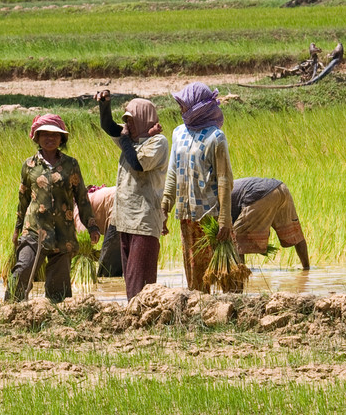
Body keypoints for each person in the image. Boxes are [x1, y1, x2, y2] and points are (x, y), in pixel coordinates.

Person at [8, 114, 97, 303]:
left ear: (61, 139)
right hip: (34, 230)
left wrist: (92, 226)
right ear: (37, 138)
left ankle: (56, 316)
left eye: (55, 135)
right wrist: (17, 230)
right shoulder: (29, 165)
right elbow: (23, 199)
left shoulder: (71, 164)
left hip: (62, 232)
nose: (50, 139)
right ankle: (9, 309)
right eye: (45, 135)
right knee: (23, 269)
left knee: (59, 287)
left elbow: (81, 197)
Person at [162, 82, 235, 293]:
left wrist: (224, 220)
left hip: (211, 215)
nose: (181, 110)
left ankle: (231, 314)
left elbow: (224, 179)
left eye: (184, 105)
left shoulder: (216, 137)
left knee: (224, 272)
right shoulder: (178, 133)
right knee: (195, 273)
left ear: (199, 107)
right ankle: (199, 312)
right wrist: (166, 204)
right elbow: (173, 171)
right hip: (187, 214)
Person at [96, 91, 169, 300]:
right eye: (126, 121)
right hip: (125, 221)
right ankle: (134, 319)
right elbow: (109, 127)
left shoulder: (157, 142)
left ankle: (143, 321)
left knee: (141, 281)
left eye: (131, 121)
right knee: (130, 279)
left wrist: (126, 139)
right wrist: (104, 105)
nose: (127, 127)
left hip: (144, 223)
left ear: (144, 119)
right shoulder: (132, 141)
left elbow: (138, 165)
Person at [232, 177, 310, 269]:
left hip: (260, 194)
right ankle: (307, 268)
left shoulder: (216, 200)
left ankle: (239, 273)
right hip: (281, 188)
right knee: (295, 232)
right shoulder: (219, 191)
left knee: (234, 237)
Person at [84, 185, 121, 278]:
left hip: (119, 205)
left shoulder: (78, 209)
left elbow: (84, 241)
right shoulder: (87, 198)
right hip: (125, 199)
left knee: (106, 268)